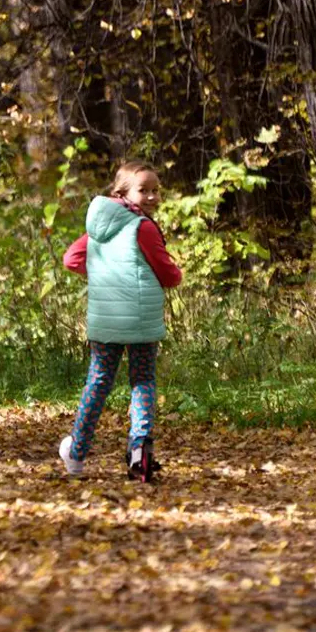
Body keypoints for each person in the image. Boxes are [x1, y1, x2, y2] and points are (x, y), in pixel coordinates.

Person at [59, 161, 183, 482]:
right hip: (141, 320)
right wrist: (175, 273)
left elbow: (71, 259)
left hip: (106, 319)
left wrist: (104, 277)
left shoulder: (97, 229)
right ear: (122, 193)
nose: (153, 196)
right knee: (142, 382)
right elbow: (169, 275)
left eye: (157, 190)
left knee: (98, 382)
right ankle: (139, 451)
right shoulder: (143, 228)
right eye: (144, 190)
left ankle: (76, 454)